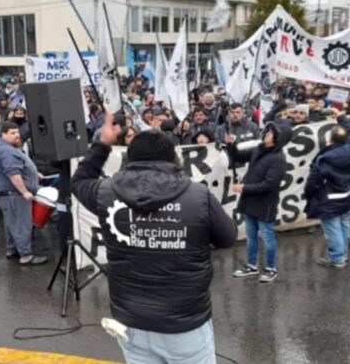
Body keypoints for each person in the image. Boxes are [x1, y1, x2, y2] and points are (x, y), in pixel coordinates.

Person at [70, 112, 237, 364]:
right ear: (173, 157)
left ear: (130, 158)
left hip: (131, 322)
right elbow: (227, 238)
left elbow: (80, 180)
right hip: (184, 324)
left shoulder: (105, 192)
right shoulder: (198, 195)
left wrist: (102, 144)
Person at [228, 122, 292, 282]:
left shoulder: (278, 159)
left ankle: (271, 268)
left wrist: (244, 188)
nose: (265, 135)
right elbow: (238, 156)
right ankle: (251, 265)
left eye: (270, 133)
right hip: (249, 202)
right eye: (266, 132)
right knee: (251, 236)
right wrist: (231, 145)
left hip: (265, 204)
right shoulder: (258, 149)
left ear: (278, 138)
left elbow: (268, 185)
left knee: (267, 237)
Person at [304, 109, 350, 268]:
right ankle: (343, 252)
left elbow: (314, 182)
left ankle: (337, 258)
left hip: (331, 198)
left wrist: (308, 195)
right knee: (344, 221)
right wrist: (340, 116)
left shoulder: (324, 159)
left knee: (332, 228)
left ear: (330, 139)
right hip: (349, 194)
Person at [0, 122, 47, 265]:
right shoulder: (7, 151)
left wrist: (33, 172)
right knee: (21, 224)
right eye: (12, 133)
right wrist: (25, 191)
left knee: (11, 223)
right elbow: (13, 175)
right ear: (3, 135)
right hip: (14, 194)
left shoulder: (7, 148)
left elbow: (18, 168)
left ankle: (12, 249)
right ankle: (26, 255)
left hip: (9, 194)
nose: (17, 135)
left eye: (17, 132)